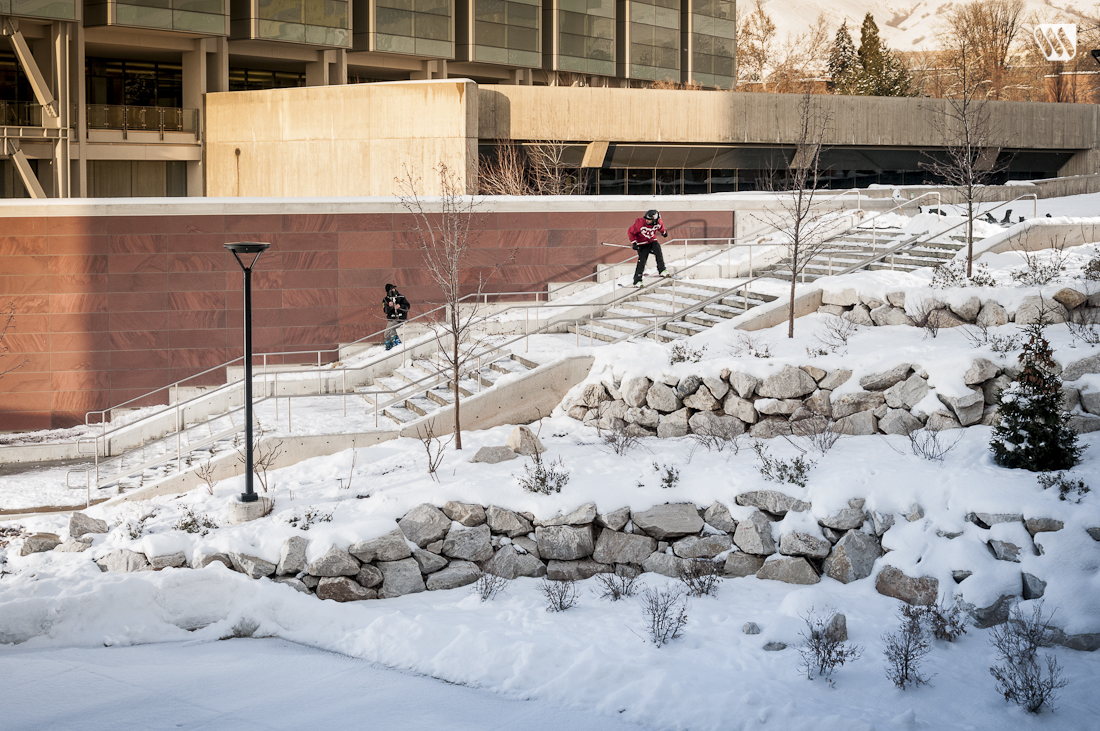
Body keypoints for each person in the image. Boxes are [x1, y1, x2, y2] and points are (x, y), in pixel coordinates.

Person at [627, 209, 669, 287]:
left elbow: (661, 227)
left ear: (654, 220)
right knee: (642, 260)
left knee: (658, 251)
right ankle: (637, 280)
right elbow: (630, 232)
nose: (647, 221)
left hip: (651, 240)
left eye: (649, 220)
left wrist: (664, 233)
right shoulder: (640, 223)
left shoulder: (659, 222)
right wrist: (634, 242)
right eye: (646, 219)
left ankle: (662, 270)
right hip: (642, 243)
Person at [382, 283, 410, 350]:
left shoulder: (401, 297)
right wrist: (390, 307)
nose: (393, 290)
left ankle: (396, 342)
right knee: (386, 333)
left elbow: (407, 306)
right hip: (392, 319)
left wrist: (400, 306)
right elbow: (385, 310)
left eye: (394, 288)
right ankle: (388, 345)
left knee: (391, 329)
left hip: (400, 318)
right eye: (391, 289)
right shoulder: (386, 299)